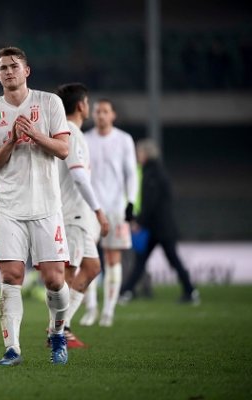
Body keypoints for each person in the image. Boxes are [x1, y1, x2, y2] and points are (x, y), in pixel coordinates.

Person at [0, 46, 71, 366]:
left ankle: (57, 333)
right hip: (9, 208)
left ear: (26, 71)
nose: (8, 72)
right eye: (3, 68)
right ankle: (12, 349)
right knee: (12, 275)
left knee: (55, 280)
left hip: (47, 205)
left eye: (14, 66)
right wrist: (13, 140)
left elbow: (63, 149)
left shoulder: (49, 103)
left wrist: (35, 135)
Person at [55, 83, 110, 347]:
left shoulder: (62, 132)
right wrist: (99, 211)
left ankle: (63, 326)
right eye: (87, 102)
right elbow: (78, 175)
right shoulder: (72, 133)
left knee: (92, 267)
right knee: (68, 272)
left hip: (73, 213)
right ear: (81, 105)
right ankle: (57, 331)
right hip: (73, 214)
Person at [119, 139, 199, 304]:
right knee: (144, 261)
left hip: (160, 229)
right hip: (157, 228)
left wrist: (138, 221)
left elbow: (151, 203)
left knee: (170, 260)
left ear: (147, 154)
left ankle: (190, 291)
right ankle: (126, 292)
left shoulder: (152, 174)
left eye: (140, 152)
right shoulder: (157, 172)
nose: (137, 156)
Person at [83, 98, 138, 327]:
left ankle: (108, 311)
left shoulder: (124, 140)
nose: (101, 115)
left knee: (112, 258)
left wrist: (131, 202)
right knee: (87, 259)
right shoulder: (85, 139)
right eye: (97, 111)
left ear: (113, 115)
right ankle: (91, 308)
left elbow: (131, 173)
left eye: (105, 111)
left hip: (116, 207)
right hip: (90, 207)